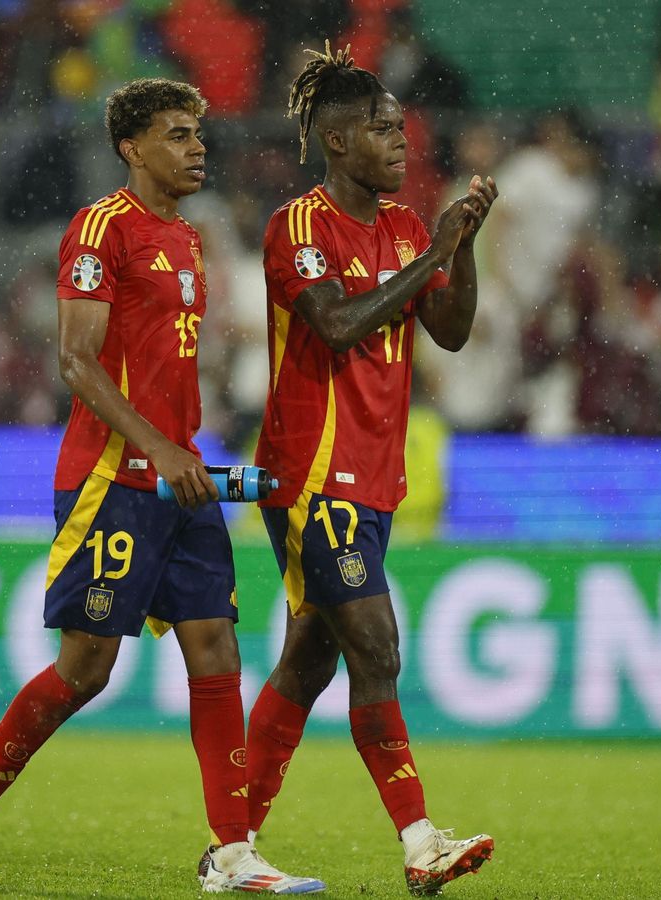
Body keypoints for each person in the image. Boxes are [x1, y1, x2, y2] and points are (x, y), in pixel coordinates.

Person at [0, 78, 323, 895]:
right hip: (114, 479)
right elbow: (76, 361)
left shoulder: (189, 238)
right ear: (132, 147)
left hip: (182, 475)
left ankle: (234, 853)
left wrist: (189, 453)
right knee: (87, 667)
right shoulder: (101, 228)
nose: (198, 147)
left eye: (199, 134)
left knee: (215, 647)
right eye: (178, 135)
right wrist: (154, 450)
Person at [244, 44, 498, 897]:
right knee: (377, 649)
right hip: (311, 476)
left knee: (311, 660)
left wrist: (456, 247)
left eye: (401, 126)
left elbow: (452, 333)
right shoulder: (297, 225)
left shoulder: (403, 227)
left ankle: (230, 838)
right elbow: (340, 325)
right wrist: (431, 257)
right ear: (338, 141)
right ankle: (421, 840)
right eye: (385, 129)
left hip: (373, 477)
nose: (402, 139)